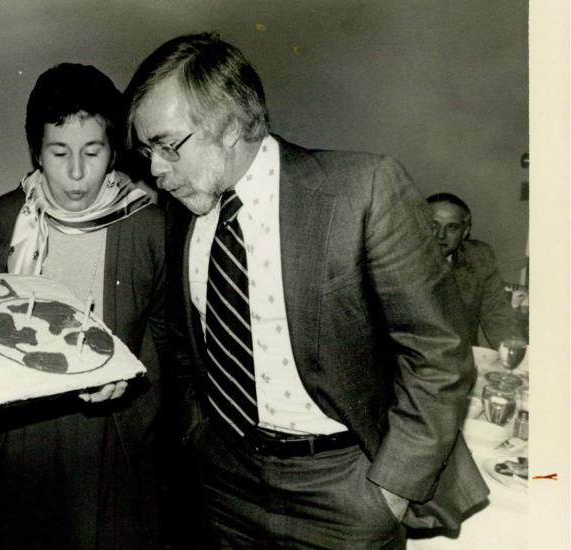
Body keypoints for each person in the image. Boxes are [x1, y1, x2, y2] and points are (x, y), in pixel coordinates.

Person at [125, 33, 488, 548]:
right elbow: (188, 344)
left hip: (344, 490)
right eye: (146, 150)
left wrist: (391, 490)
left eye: (166, 145)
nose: (155, 169)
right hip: (223, 481)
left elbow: (439, 356)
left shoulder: (361, 190)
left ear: (229, 126)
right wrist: (197, 433)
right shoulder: (183, 213)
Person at [0, 63, 168, 549]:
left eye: (93, 151)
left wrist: (130, 379)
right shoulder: (5, 220)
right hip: (26, 435)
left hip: (111, 438)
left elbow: (169, 339)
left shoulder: (146, 225)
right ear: (37, 152)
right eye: (60, 152)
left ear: (114, 150)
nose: (78, 174)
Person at [427, 192, 524, 348]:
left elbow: (498, 318)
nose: (440, 235)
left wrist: (517, 359)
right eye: (433, 225)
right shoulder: (394, 263)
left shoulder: (479, 257)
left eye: (452, 227)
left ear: (465, 232)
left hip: (464, 360)